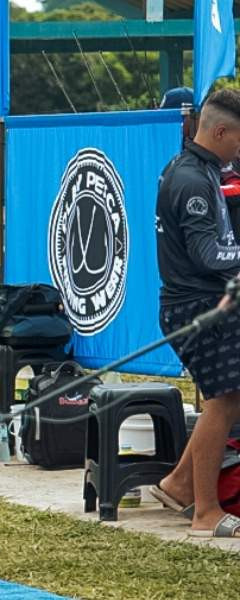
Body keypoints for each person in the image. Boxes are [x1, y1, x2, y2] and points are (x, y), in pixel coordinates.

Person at [150, 88, 240, 538]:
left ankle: (180, 483)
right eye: (238, 140)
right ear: (220, 131)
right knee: (224, 401)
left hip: (199, 302)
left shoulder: (201, 167)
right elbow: (209, 254)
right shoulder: (191, 179)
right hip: (195, 307)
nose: (239, 151)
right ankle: (206, 512)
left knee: (226, 398)